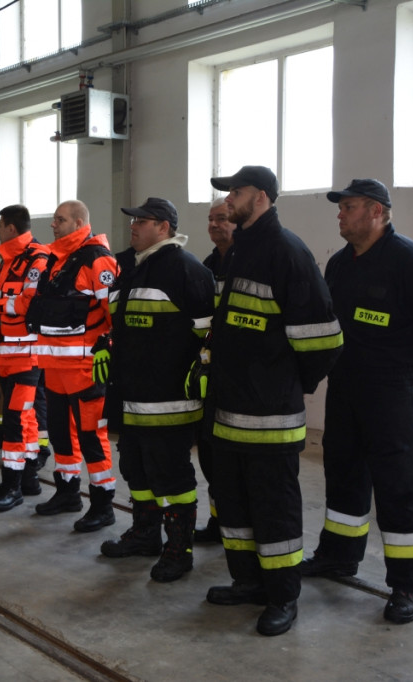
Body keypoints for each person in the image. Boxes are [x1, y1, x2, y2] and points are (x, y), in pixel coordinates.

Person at [301, 179, 413, 625]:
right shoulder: (339, 265)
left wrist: (402, 368)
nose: (339, 214)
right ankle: (338, 555)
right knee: (343, 469)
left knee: (397, 482)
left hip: (393, 390)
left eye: (347, 207)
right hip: (347, 387)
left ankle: (409, 584)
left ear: (376, 211)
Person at [204, 166, 343, 637]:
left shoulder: (286, 252)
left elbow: (323, 340)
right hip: (228, 414)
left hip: (271, 417)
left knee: (274, 508)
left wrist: (286, 384)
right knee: (236, 505)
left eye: (235, 193)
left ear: (259, 197)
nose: (228, 202)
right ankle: (249, 582)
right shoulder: (239, 251)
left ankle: (283, 595)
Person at [99, 197, 215, 582]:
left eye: (142, 222)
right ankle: (145, 534)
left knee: (172, 475)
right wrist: (106, 344)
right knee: (135, 467)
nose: (133, 227)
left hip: (169, 399)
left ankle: (178, 549)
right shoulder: (130, 268)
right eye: (133, 221)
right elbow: (120, 325)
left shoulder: (186, 269)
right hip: (130, 395)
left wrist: (199, 370)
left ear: (163, 227)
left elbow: (209, 335)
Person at [29, 200, 119, 532]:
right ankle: (67, 492)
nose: (53, 224)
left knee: (92, 436)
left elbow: (114, 314)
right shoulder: (56, 259)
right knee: (61, 435)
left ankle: (103, 503)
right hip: (53, 369)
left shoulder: (98, 260)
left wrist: (109, 352)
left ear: (79, 222)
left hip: (85, 369)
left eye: (60, 219)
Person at [0, 204, 50, 512]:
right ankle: (28, 479)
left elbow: (29, 301)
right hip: (10, 356)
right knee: (26, 417)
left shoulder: (37, 258)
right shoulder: (8, 262)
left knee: (15, 420)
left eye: (0, 225)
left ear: (11, 228)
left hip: (28, 356)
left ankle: (13, 485)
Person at [194, 197, 237, 544]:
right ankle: (218, 521)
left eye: (222, 218)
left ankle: (239, 523)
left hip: (241, 379)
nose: (214, 225)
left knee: (235, 460)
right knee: (210, 454)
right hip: (212, 378)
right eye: (210, 219)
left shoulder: (249, 263)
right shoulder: (207, 266)